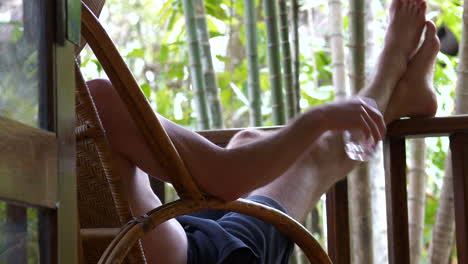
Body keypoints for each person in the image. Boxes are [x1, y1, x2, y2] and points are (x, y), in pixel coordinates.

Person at [86, 0, 439, 262]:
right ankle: (387, 82)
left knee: (248, 140)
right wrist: (318, 118)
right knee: (309, 156)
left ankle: (398, 99)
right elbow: (226, 179)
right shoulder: (94, 104)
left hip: (177, 235)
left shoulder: (40, 112)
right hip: (208, 259)